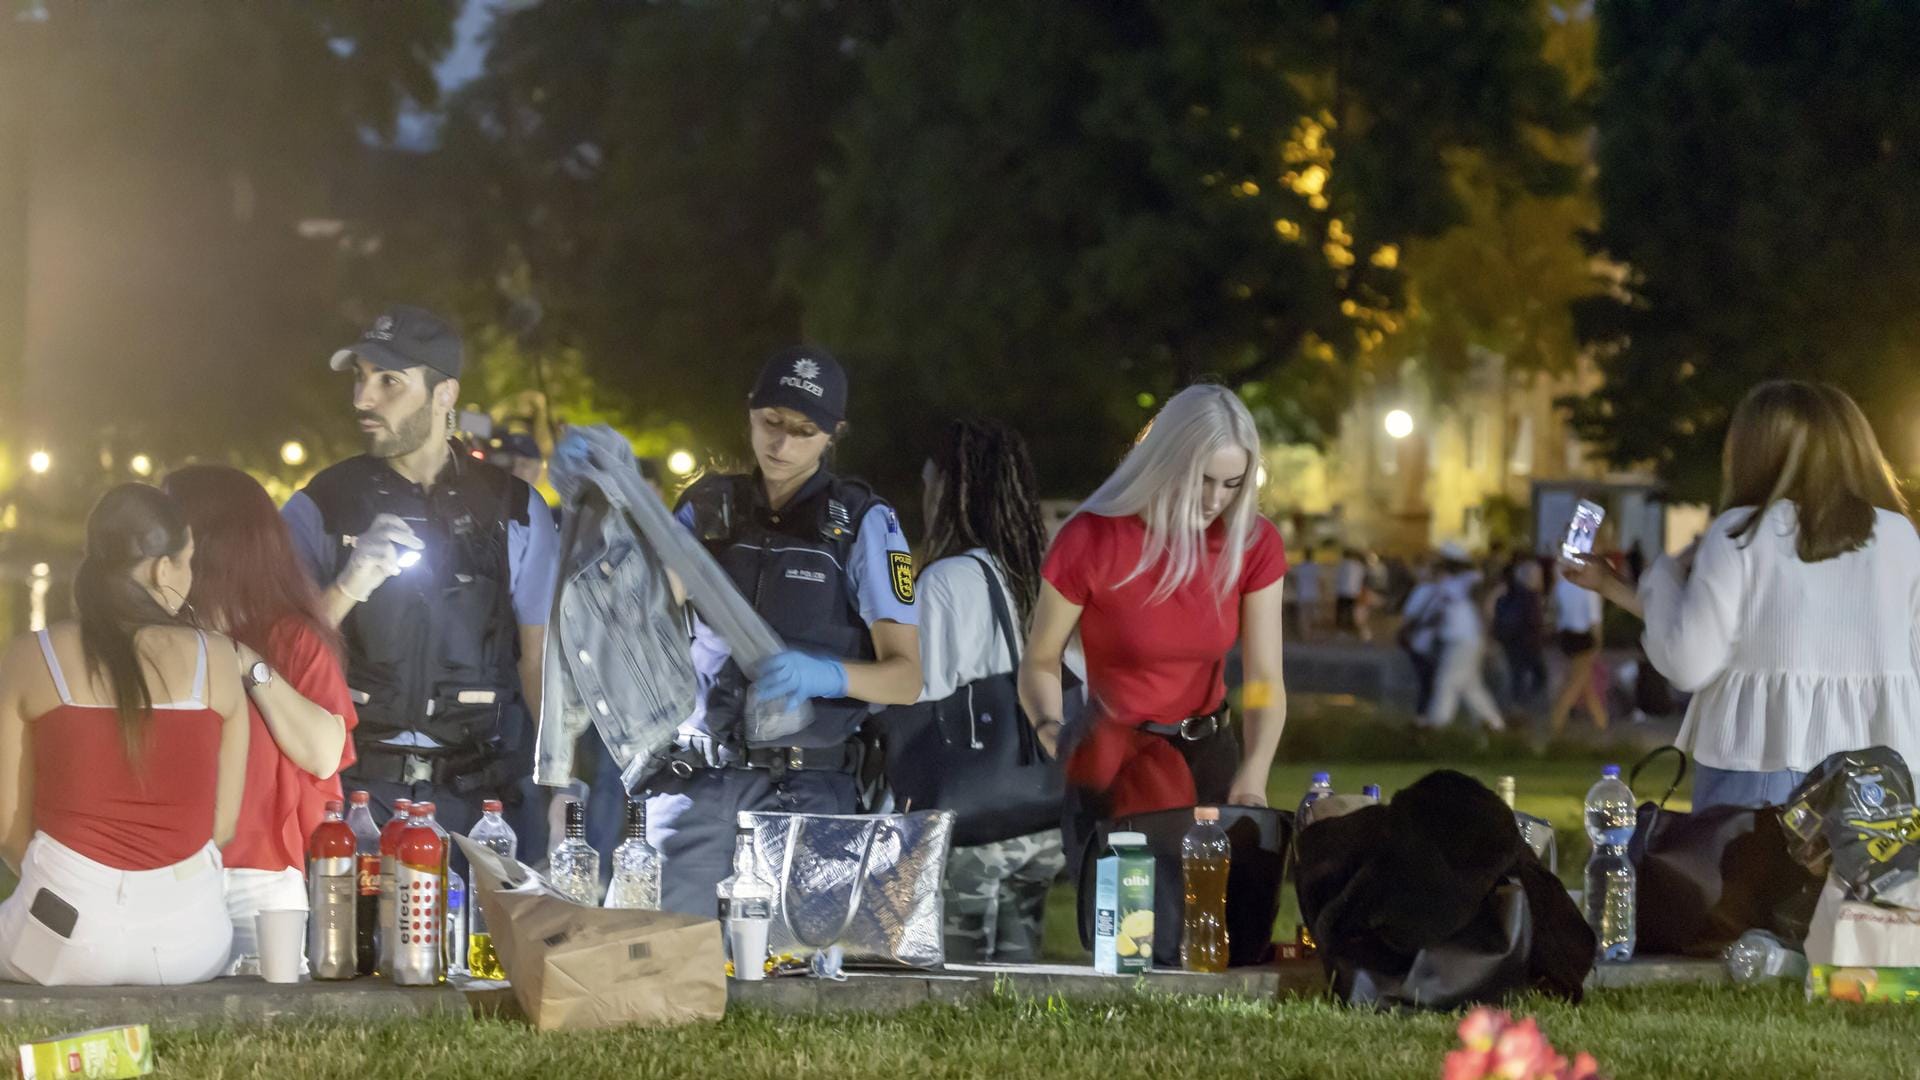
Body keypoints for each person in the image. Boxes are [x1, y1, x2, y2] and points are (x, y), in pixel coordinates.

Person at [649, 346, 923, 914]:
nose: (782, 444)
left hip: (808, 787)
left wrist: (823, 675)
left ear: (833, 435)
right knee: (659, 962)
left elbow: (906, 679)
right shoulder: (706, 507)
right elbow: (642, 614)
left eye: (804, 430)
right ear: (749, 412)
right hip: (698, 779)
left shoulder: (862, 522)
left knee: (796, 978)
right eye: (771, 422)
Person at [281, 305, 560, 852]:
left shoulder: (517, 509)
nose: (363, 398)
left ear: (444, 394)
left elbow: (540, 662)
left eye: (389, 381)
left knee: (480, 943)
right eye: (361, 378)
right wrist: (347, 587)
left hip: (483, 803)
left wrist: (560, 786)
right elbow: (276, 655)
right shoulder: (322, 503)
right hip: (354, 798)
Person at [1566, 381, 1920, 809]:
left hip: (1761, 768)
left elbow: (1689, 659)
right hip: (1878, 783)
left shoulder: (1742, 531)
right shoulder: (1900, 537)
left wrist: (1662, 576)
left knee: (1747, 877)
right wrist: (1613, 588)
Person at [0, 485, 249, 985]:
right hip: (189, 944)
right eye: (188, 561)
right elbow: (220, 827)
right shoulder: (218, 659)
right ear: (162, 569)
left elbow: (10, 830)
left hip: (58, 938)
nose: (189, 576)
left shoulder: (28, 657)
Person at [1020, 384, 1288, 831]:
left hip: (1209, 759)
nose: (1215, 500)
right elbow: (1041, 660)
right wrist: (1053, 732)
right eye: (1202, 480)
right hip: (1115, 762)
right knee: (1129, 902)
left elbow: (1263, 681)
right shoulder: (1091, 539)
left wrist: (1254, 774)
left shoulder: (1253, 544)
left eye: (1232, 484)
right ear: (1165, 463)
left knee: (1210, 902)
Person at [166, 465, 358, 976]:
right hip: (163, 872)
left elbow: (322, 751)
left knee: (264, 1026)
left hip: (257, 881)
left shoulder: (292, 639)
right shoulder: (156, 637)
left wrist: (245, 662)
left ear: (209, 544)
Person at [909, 418, 1063, 963]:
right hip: (1042, 818)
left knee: (960, 979)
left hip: (973, 821)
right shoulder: (1044, 575)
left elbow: (921, 691)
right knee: (1021, 978)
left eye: (931, 485)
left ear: (952, 492)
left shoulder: (947, 580)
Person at [1422, 542, 1505, 732]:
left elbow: (1482, 603)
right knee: (1471, 687)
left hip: (1466, 639)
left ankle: (1438, 727)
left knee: (1446, 683)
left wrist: (1487, 637)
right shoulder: (1448, 582)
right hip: (1456, 639)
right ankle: (1494, 724)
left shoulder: (1471, 579)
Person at [1548, 556, 1607, 733]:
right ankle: (1556, 722)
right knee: (1576, 684)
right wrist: (1598, 644)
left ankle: (1601, 722)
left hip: (1566, 635)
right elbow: (1594, 620)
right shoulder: (1589, 590)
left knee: (1585, 683)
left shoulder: (1562, 585)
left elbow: (1555, 611)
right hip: (1583, 638)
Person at [1491, 558, 1548, 708]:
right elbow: (1534, 621)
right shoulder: (1530, 597)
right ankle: (1520, 704)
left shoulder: (1510, 593)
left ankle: (1517, 702)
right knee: (1535, 675)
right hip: (1528, 642)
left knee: (1519, 673)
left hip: (1511, 640)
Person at [1287, 546, 1323, 642]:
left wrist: (1296, 587)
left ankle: (1304, 635)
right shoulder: (1316, 567)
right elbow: (1320, 581)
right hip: (1313, 594)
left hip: (1302, 594)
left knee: (1303, 617)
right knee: (1311, 616)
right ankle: (1310, 635)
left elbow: (1292, 578)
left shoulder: (1300, 567)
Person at [1335, 548, 1366, 638]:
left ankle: (1341, 629)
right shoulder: (1358, 565)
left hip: (1342, 591)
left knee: (1341, 611)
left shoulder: (1341, 565)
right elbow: (1362, 578)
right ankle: (1352, 628)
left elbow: (1337, 578)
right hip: (1354, 591)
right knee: (1352, 611)